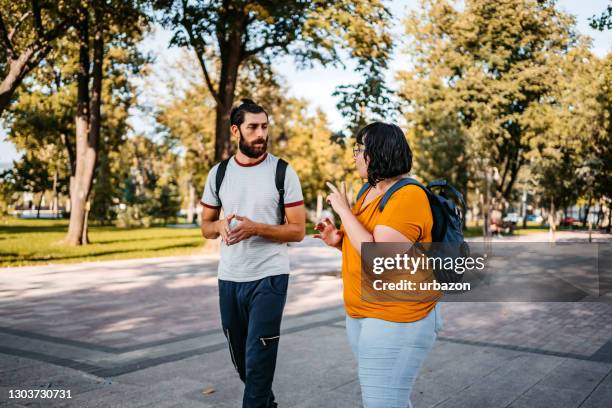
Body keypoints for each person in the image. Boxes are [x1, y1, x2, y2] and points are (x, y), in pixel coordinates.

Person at [314, 122, 443, 408]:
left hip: (398, 314)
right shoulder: (368, 191)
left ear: (378, 153)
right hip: (364, 312)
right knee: (389, 399)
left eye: (359, 149)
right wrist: (337, 240)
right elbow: (362, 245)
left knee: (382, 402)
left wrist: (344, 212)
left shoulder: (408, 195)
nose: (355, 156)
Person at [200, 99, 306, 408]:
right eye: (253, 127)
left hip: (270, 278)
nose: (261, 134)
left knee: (259, 359)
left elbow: (297, 230)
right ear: (236, 131)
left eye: (264, 126)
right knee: (243, 362)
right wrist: (219, 224)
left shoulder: (283, 172)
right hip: (230, 278)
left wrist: (256, 228)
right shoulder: (218, 174)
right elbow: (205, 227)